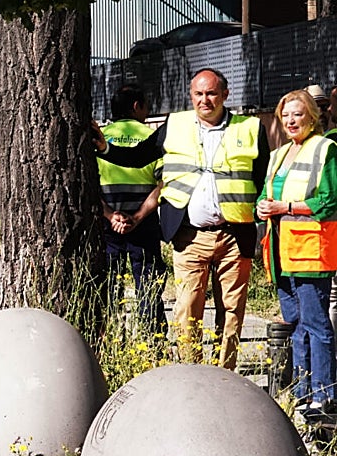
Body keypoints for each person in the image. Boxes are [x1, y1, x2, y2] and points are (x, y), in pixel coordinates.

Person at [93, 68, 270, 370]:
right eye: (199, 94)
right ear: (191, 96)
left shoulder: (249, 128)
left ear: (225, 95)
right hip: (190, 235)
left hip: (233, 234)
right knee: (187, 311)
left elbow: (263, 176)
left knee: (231, 312)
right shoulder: (175, 125)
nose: (205, 100)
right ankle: (191, 375)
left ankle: (225, 377)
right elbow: (138, 157)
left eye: (211, 93)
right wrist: (105, 148)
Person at [256, 89, 337, 414]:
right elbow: (265, 193)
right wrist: (261, 207)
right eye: (285, 115)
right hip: (280, 255)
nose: (291, 121)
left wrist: (286, 206)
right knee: (296, 325)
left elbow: (329, 201)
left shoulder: (325, 149)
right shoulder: (278, 154)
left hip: (310, 252)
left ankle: (324, 393)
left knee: (316, 325)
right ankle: (302, 393)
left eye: (298, 114)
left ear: (312, 117)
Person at [97, 85, 167, 334]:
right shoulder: (152, 137)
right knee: (149, 283)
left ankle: (112, 337)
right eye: (146, 106)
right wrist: (137, 217)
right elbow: (163, 183)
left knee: (108, 286)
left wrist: (109, 215)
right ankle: (153, 341)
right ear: (137, 106)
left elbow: (88, 184)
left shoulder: (100, 137)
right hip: (144, 222)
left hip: (107, 224)